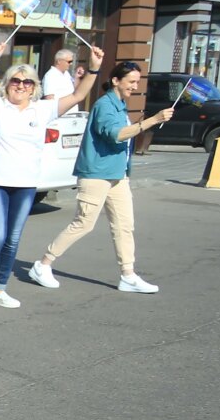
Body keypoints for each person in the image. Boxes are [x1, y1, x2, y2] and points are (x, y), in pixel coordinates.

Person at [0, 39, 101, 309]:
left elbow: (77, 96)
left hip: (25, 184)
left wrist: (95, 69)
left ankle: (0, 289)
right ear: (6, 84)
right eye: (16, 81)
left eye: (27, 82)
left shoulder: (42, 109)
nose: (21, 85)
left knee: (13, 239)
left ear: (34, 87)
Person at [28, 60, 173, 295]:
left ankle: (128, 275)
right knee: (83, 223)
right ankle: (43, 264)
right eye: (131, 81)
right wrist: (153, 120)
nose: (135, 86)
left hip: (117, 174)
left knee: (124, 226)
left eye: (137, 82)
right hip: (96, 174)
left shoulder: (120, 105)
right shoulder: (105, 105)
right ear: (116, 81)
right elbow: (116, 134)